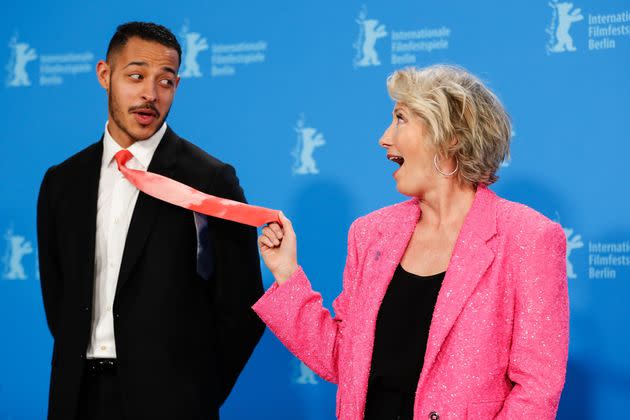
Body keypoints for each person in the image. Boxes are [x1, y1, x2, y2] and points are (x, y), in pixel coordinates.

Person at [254, 65, 569, 419]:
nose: (384, 138)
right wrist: (286, 273)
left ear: (450, 135)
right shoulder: (370, 233)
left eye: (400, 118)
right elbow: (344, 359)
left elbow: (537, 389)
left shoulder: (528, 237)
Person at [37, 22, 264, 420]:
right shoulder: (62, 182)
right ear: (105, 75)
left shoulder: (209, 179)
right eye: (136, 76)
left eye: (166, 82)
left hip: (172, 403)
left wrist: (196, 394)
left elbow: (242, 305)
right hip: (76, 399)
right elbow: (59, 300)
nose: (150, 95)